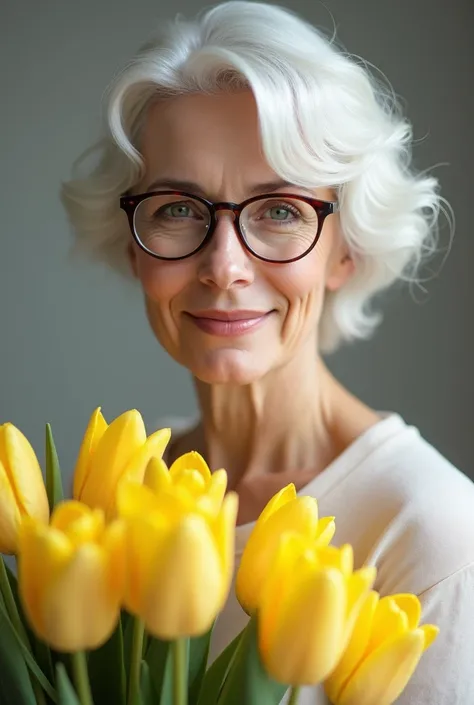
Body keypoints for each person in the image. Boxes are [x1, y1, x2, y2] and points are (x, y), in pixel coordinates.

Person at [62, 2, 474, 702]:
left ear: (345, 249)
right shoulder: (115, 495)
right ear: (135, 246)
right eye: (177, 207)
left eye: (280, 209)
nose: (224, 266)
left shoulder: (432, 531)